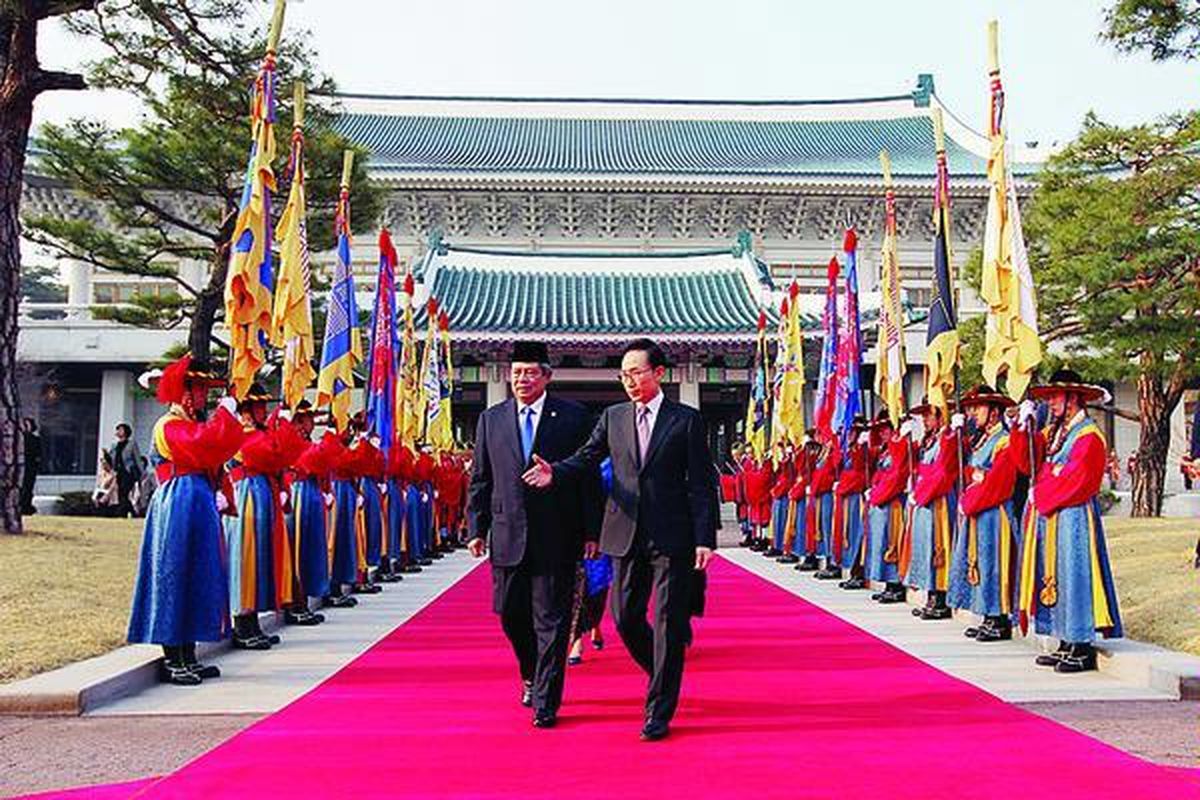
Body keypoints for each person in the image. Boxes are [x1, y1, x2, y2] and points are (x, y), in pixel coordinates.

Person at [523, 337, 719, 742]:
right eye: (624, 374)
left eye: (636, 372)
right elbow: (587, 457)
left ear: (659, 373)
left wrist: (705, 538)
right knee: (625, 618)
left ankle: (658, 709)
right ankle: (664, 671)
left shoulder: (685, 420)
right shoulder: (613, 418)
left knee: (666, 623)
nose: (629, 380)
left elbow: (701, 484)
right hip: (625, 533)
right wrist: (555, 473)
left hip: (673, 536)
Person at [467, 341, 601, 729]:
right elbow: (480, 480)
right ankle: (530, 673)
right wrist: (476, 528)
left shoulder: (574, 417)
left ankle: (546, 699)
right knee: (511, 616)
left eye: (530, 373)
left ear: (546, 376)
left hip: (557, 534)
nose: (522, 380)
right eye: (516, 373)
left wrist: (592, 530)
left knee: (552, 620)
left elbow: (587, 479)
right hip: (507, 535)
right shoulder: (491, 420)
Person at [127, 354, 244, 685]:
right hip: (178, 500)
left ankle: (189, 653)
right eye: (198, 389)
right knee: (175, 573)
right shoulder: (169, 425)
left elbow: (216, 452)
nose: (203, 396)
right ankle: (172, 655)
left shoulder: (188, 424)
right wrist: (225, 414)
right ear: (184, 393)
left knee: (198, 573)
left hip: (197, 499)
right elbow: (205, 446)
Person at [1012, 369, 1123, 673]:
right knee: (1055, 574)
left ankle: (1081, 643)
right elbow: (1026, 463)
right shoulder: (1053, 433)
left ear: (1073, 398)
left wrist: (1043, 493)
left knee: (1075, 576)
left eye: (1056, 396)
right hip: (1052, 514)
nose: (1051, 402)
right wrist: (1022, 428)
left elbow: (1080, 479)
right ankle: (1064, 638)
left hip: (1073, 516)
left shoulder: (1088, 435)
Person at [946, 386, 1019, 642]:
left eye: (979, 407)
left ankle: (999, 617)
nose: (973, 412)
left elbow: (998, 482)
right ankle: (987, 613)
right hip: (980, 508)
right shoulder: (983, 439)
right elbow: (968, 472)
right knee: (980, 562)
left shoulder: (1004, 440)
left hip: (994, 511)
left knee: (994, 563)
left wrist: (972, 493)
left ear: (994, 412)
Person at [902, 398, 959, 621]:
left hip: (939, 499)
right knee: (925, 546)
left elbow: (943, 471)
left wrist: (923, 493)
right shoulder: (928, 439)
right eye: (923, 416)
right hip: (925, 496)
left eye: (929, 415)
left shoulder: (947, 438)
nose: (924, 420)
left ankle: (941, 596)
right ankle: (931, 593)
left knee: (939, 547)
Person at [865, 412, 909, 604]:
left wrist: (877, 496)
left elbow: (898, 475)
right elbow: (879, 474)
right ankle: (888, 584)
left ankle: (895, 584)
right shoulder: (886, 450)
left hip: (892, 502)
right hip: (881, 500)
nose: (883, 434)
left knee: (892, 542)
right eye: (880, 431)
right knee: (881, 542)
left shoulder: (900, 447)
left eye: (886, 430)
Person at [106, 423, 143, 518]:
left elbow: (137, 458)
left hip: (129, 472)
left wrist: (141, 472)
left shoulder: (131, 444)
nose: (118, 432)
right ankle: (132, 512)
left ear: (126, 432)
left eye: (120, 430)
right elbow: (112, 459)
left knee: (124, 492)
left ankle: (122, 513)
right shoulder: (115, 445)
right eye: (117, 430)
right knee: (121, 493)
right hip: (119, 472)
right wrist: (106, 456)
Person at [19, 418, 40, 515]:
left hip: (30, 468)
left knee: (28, 488)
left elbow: (38, 455)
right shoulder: (18, 439)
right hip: (19, 467)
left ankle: (26, 507)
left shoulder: (35, 439)